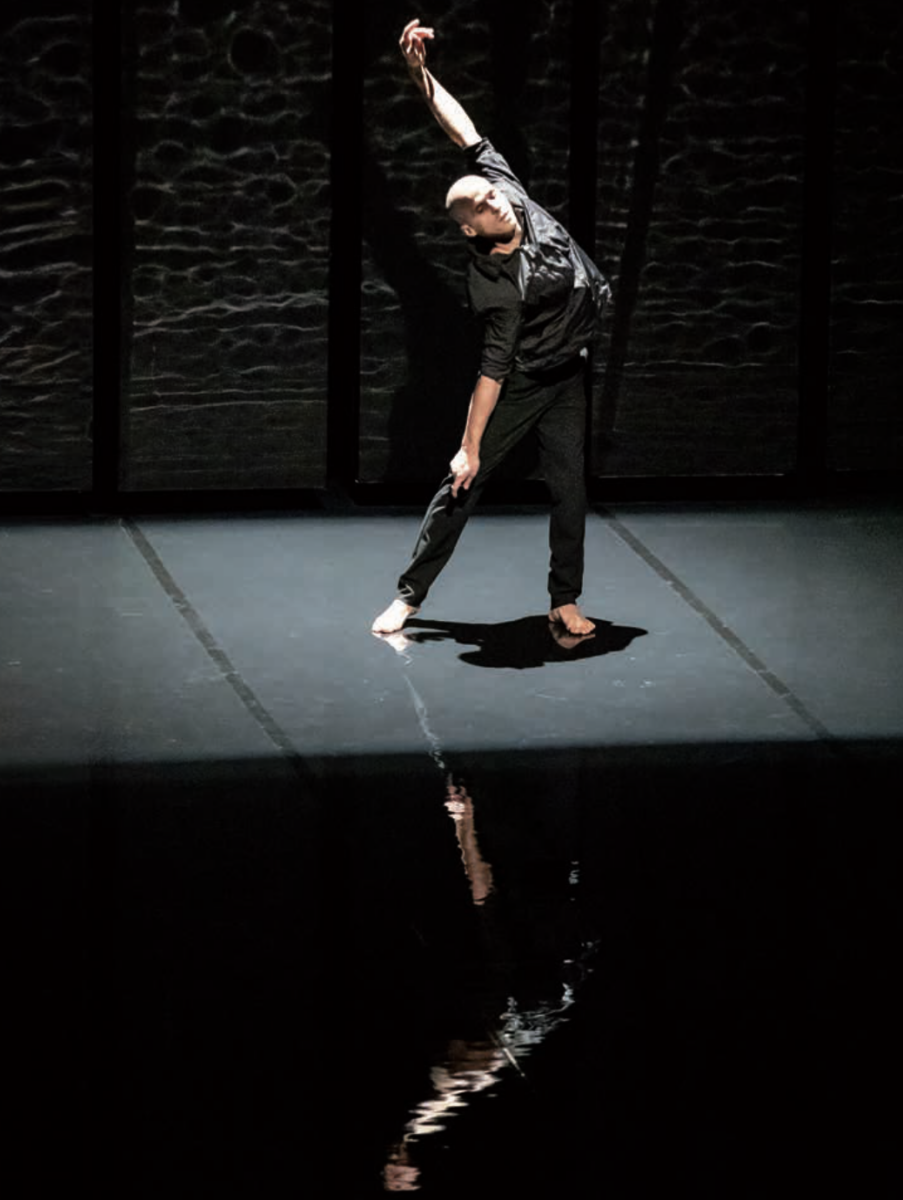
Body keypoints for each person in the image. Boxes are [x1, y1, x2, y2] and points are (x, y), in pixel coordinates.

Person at [372, 19, 610, 638]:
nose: (496, 201)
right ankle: (409, 595)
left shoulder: (506, 187)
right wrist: (470, 445)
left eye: (492, 194)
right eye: (482, 205)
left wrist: (419, 75)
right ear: (470, 229)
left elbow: (463, 131)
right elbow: (493, 370)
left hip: (569, 371)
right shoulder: (496, 286)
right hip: (526, 379)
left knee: (570, 488)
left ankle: (564, 599)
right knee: (463, 482)